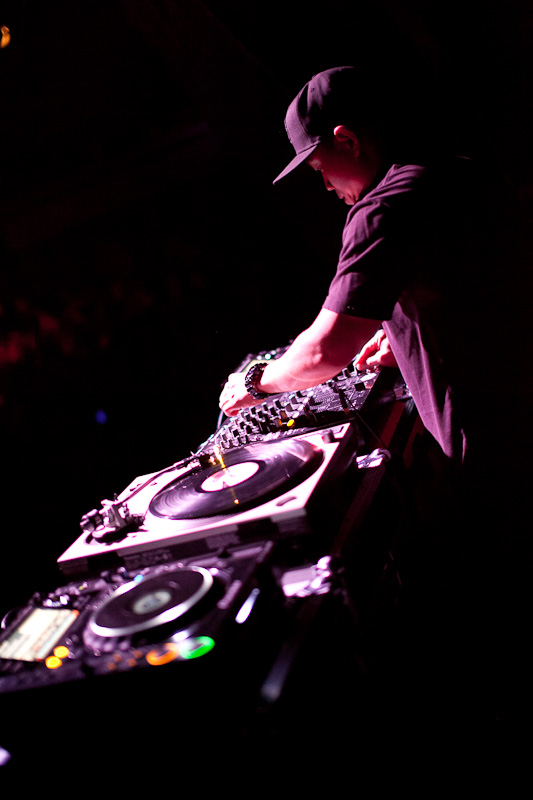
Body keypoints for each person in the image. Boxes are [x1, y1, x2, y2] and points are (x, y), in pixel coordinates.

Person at [218, 66, 523, 719]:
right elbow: (465, 280)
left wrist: (252, 383)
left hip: (495, 447)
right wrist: (402, 327)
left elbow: (325, 350)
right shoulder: (456, 167)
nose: (323, 184)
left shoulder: (381, 207)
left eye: (318, 166)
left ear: (348, 140)